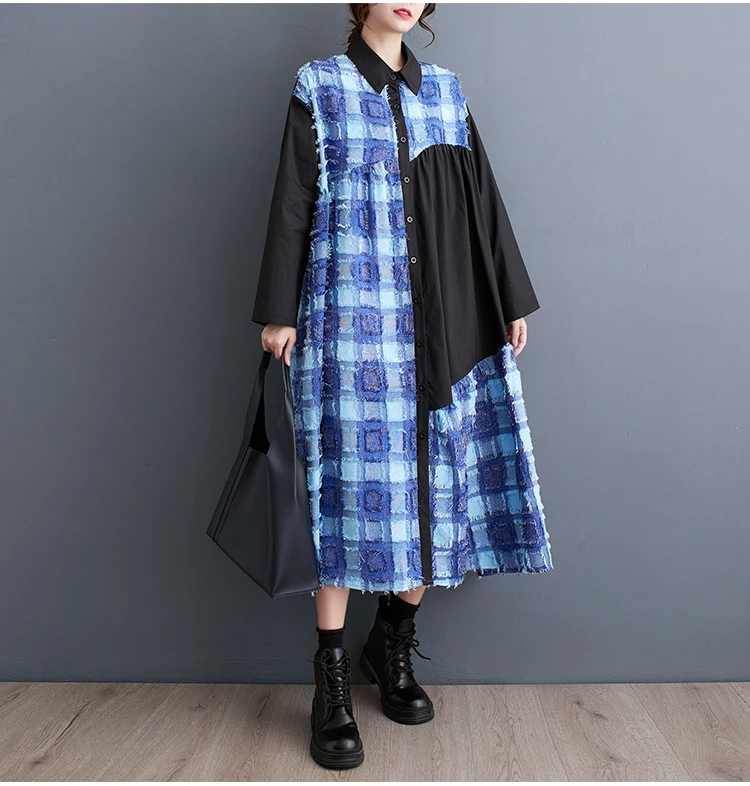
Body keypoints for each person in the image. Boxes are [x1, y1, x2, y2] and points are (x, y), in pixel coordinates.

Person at [251, 2, 554, 770]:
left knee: (433, 489)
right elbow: (293, 200)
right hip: (349, 325)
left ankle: (391, 643)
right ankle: (330, 683)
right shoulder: (320, 86)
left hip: (441, 328)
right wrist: (279, 311)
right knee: (343, 492)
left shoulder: (445, 93)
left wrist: (509, 297)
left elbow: (482, 201)